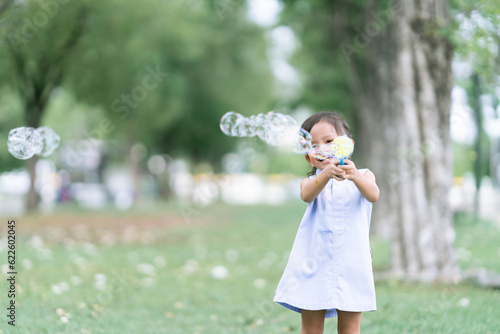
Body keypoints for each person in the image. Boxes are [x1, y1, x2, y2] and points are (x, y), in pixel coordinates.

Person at [274, 111, 380, 334]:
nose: (321, 148)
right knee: (311, 326)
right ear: (307, 158)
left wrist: (354, 176)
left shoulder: (363, 175)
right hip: (313, 261)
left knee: (350, 327)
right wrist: (326, 174)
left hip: (352, 261)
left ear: (347, 145)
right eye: (313, 145)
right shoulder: (311, 181)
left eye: (329, 141)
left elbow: (373, 195)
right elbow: (306, 195)